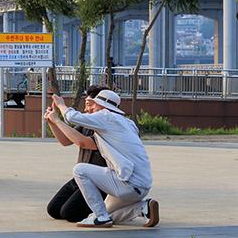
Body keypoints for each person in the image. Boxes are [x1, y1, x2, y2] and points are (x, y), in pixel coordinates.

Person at [52, 89, 159, 228]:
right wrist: (54, 121)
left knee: (80, 170)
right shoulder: (128, 123)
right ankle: (143, 208)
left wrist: (61, 105)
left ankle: (101, 218)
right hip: (141, 185)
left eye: (93, 104)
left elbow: (71, 117)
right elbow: (69, 139)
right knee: (105, 214)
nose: (89, 109)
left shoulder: (106, 116)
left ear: (102, 106)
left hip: (127, 183)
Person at [43, 85, 108, 223]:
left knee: (70, 213)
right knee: (54, 210)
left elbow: (83, 142)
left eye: (89, 105)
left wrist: (58, 119)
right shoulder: (86, 122)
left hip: (99, 181)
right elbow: (66, 141)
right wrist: (52, 122)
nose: (86, 109)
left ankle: (109, 209)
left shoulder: (109, 125)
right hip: (81, 178)